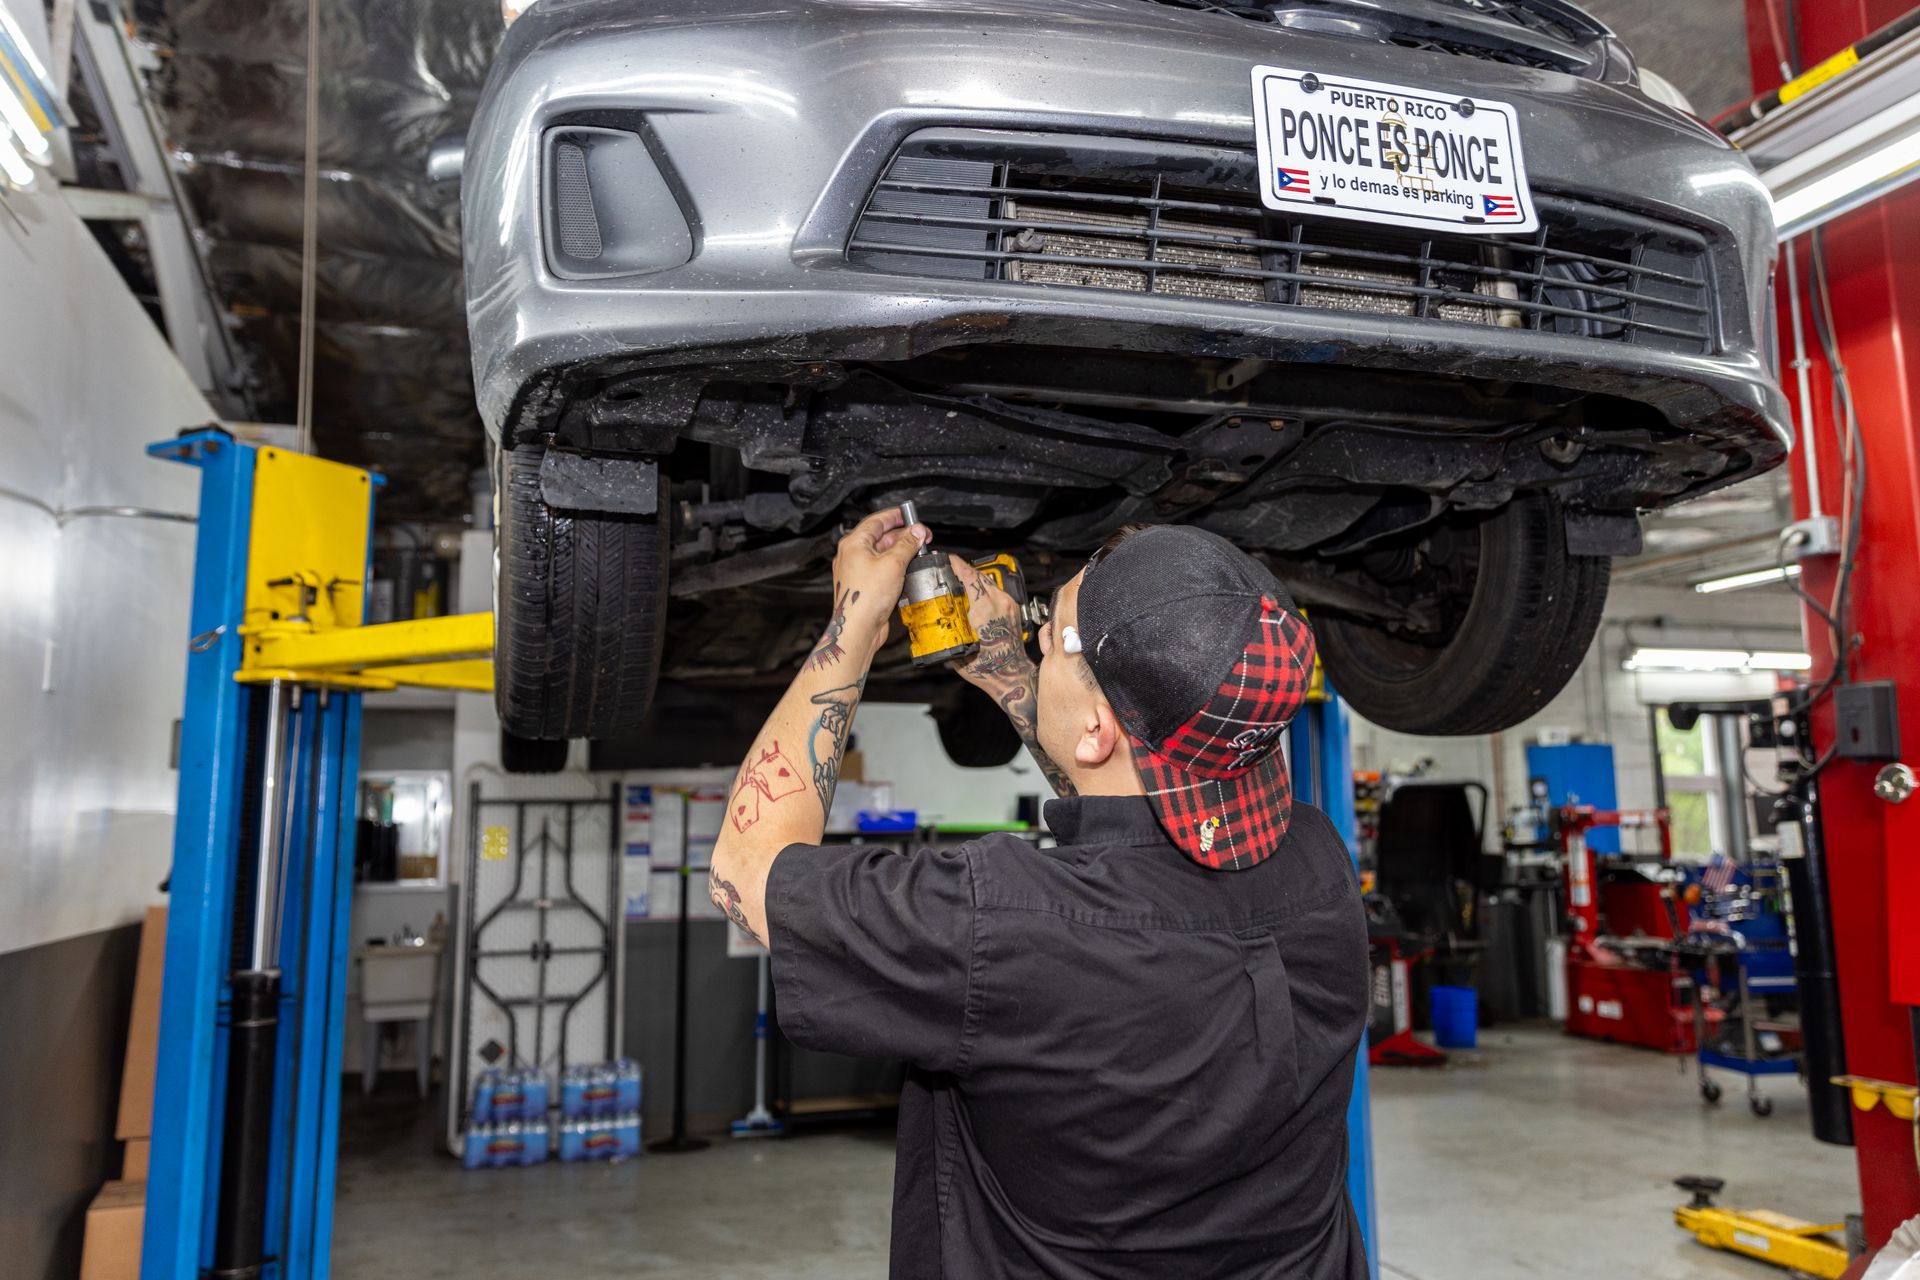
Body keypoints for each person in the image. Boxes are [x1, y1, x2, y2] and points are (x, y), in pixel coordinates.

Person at [707, 507, 1369, 1280]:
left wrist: (856, 618)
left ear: (1096, 728)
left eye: (1048, 636)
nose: (1038, 642)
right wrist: (1006, 665)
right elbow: (1131, 794)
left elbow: (747, 872)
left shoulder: (997, 921)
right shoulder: (1320, 869)